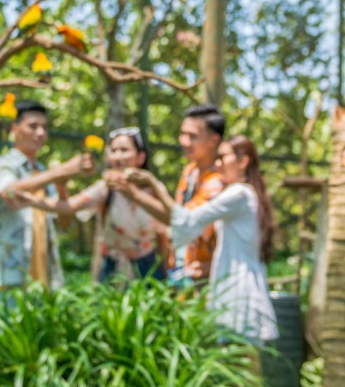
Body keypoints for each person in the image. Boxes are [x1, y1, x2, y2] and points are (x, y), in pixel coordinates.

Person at [117, 134, 278, 344]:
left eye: (223, 158)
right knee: (239, 357)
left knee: (242, 357)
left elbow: (188, 220)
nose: (217, 165)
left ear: (243, 161)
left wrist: (153, 184)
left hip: (239, 291)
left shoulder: (238, 193)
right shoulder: (246, 194)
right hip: (237, 287)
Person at [14, 126, 169, 283]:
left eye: (124, 150)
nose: (117, 156)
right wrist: (30, 200)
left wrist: (168, 268)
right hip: (112, 267)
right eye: (113, 151)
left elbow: (165, 230)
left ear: (140, 157)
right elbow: (70, 206)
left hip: (147, 266)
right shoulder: (106, 187)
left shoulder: (154, 189)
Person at [0, 100, 94, 300]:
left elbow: (64, 223)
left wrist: (61, 185)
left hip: (44, 279)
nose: (40, 133)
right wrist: (59, 172)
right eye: (33, 126)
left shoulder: (43, 172)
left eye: (44, 127)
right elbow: (8, 193)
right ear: (14, 128)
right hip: (8, 277)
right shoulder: (3, 165)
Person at [170, 103, 225, 283]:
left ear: (213, 140)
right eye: (183, 134)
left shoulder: (220, 181)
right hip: (182, 268)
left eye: (192, 136)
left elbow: (185, 219)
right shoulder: (190, 171)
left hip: (208, 278)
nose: (184, 141)